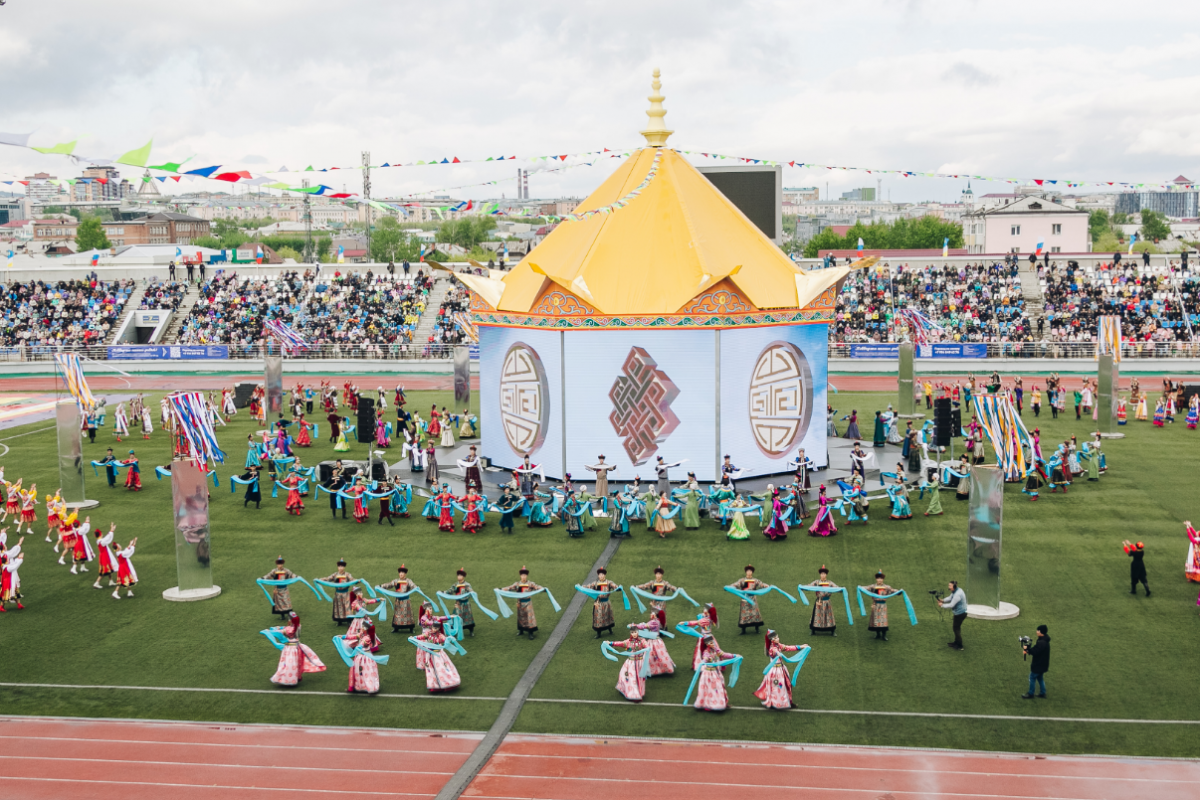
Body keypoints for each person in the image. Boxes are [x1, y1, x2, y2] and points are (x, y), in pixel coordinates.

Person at [267, 612, 327, 686]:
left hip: (290, 648)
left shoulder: (289, 629)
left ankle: (288, 679)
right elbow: (285, 628)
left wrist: (269, 631)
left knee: (288, 663)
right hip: (297, 646)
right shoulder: (298, 626)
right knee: (296, 663)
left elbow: (278, 632)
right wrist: (280, 627)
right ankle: (296, 677)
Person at [753, 630, 807, 710]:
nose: (778, 638)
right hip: (775, 672)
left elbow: (787, 647)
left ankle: (786, 701)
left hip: (781, 669)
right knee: (778, 686)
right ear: (772, 640)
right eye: (776, 637)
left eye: (777, 637)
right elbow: (775, 652)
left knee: (786, 685)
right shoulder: (772, 649)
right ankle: (778, 703)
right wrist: (778, 653)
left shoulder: (778, 645)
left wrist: (800, 647)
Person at [580, 566, 619, 638]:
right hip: (598, 603)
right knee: (599, 618)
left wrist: (618, 588)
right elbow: (588, 586)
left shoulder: (608, 582)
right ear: (598, 575)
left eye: (602, 574)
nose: (601, 576)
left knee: (608, 616)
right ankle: (599, 633)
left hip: (607, 603)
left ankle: (610, 629)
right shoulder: (595, 583)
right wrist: (580, 587)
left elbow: (615, 586)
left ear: (605, 575)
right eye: (600, 574)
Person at [380, 565, 418, 634]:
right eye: (400, 572)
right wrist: (381, 586)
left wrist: (416, 588)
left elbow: (413, 586)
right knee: (397, 615)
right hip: (398, 601)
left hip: (406, 601)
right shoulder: (396, 581)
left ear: (405, 574)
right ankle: (396, 628)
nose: (401, 574)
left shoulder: (408, 581)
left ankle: (411, 628)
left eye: (403, 572)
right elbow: (389, 585)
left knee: (408, 615)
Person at [805, 566, 839, 636]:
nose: (823, 575)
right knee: (817, 616)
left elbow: (836, 588)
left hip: (827, 602)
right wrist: (803, 587)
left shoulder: (830, 583)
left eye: (824, 574)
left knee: (829, 616)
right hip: (819, 601)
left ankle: (832, 631)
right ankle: (813, 630)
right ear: (820, 574)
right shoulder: (817, 582)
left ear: (826, 575)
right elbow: (810, 586)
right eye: (822, 574)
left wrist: (841, 589)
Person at [1021, 625, 1050, 699]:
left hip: (1038, 664)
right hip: (1043, 664)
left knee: (1032, 677)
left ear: (1041, 632)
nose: (1036, 632)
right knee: (1040, 678)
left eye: (1038, 630)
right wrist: (1028, 649)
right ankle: (1043, 693)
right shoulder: (1044, 640)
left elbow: (1035, 651)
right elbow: (1036, 649)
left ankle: (1030, 694)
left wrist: (1027, 650)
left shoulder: (1041, 642)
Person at [938, 580, 968, 650]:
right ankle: (956, 642)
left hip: (960, 614)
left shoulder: (957, 594)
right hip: (959, 613)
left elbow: (951, 605)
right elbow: (950, 598)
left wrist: (942, 605)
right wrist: (942, 600)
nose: (948, 587)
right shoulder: (955, 591)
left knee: (956, 629)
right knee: (956, 628)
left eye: (950, 586)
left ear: (953, 586)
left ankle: (960, 646)